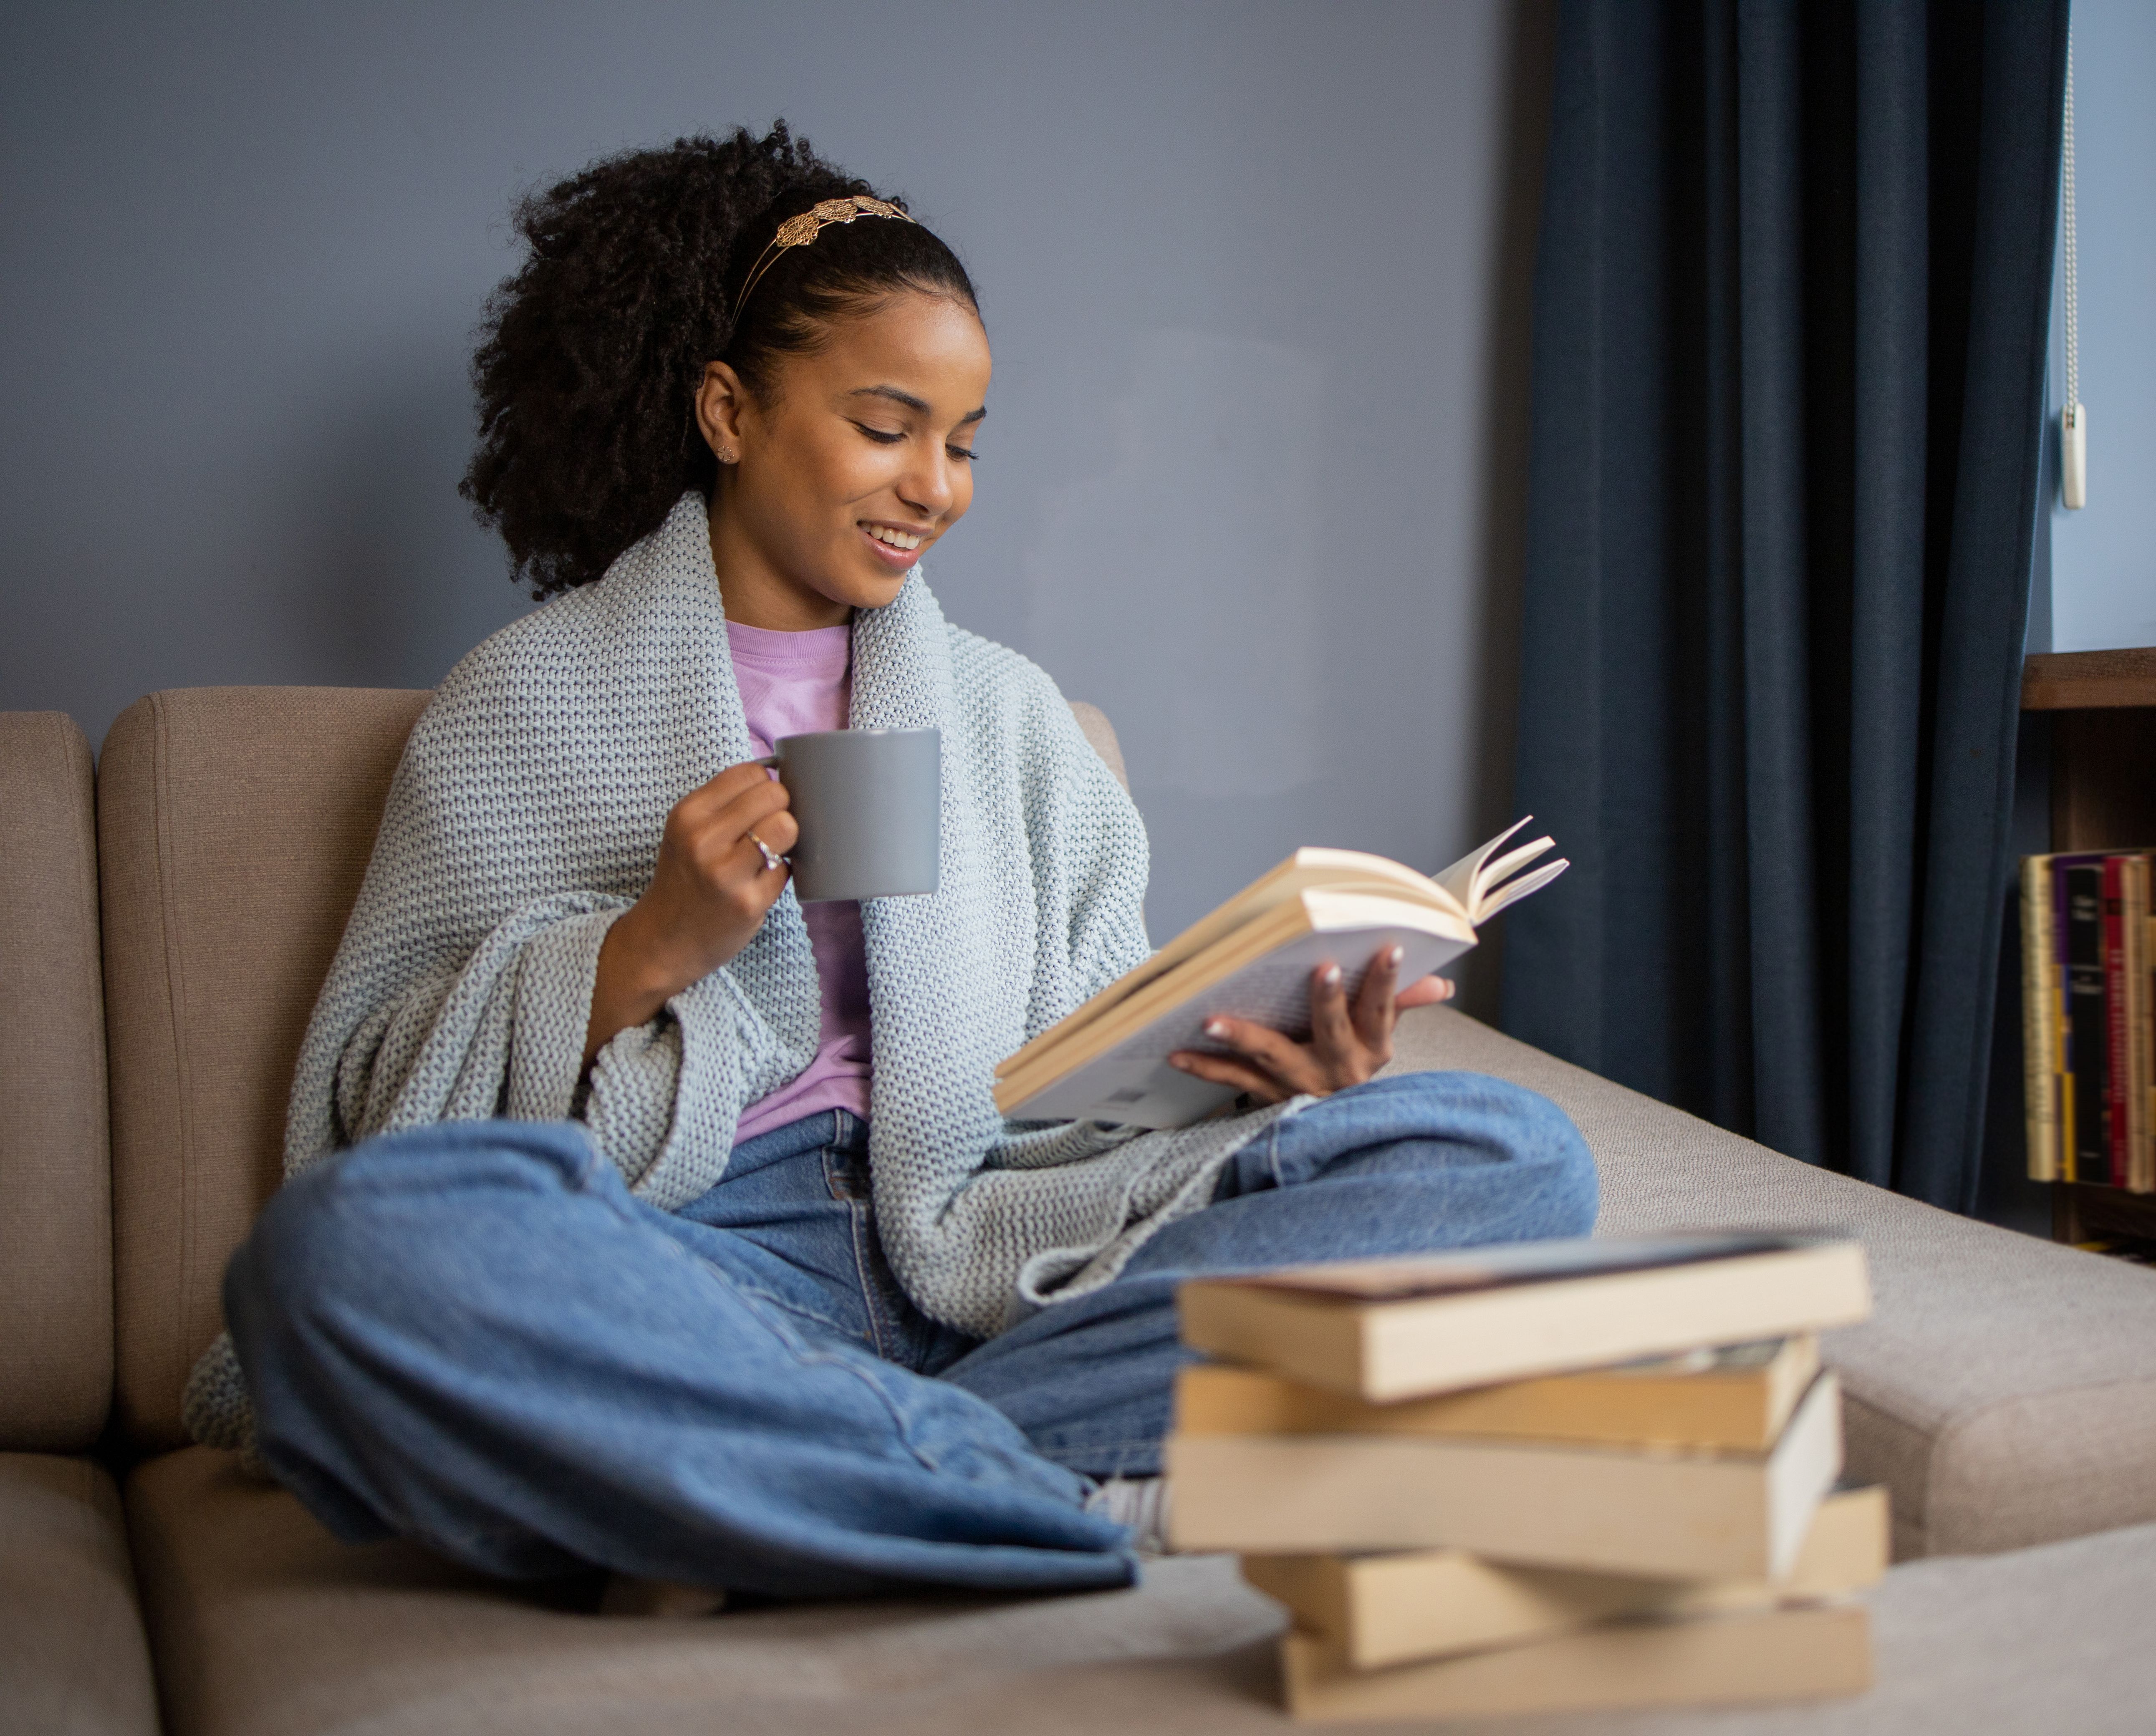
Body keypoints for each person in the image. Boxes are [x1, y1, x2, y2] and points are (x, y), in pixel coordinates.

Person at [185, 123, 1598, 1603]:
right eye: (886, 425)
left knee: (1506, 1157)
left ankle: (783, 1494)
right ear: (728, 412)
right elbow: (380, 1105)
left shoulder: (1013, 720)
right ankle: (1047, 1488)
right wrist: (646, 948)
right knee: (336, 1261)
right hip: (707, 1271)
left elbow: (1095, 1057)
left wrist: (1262, 1065)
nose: (939, 484)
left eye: (966, 440)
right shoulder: (524, 703)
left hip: (1015, 1248)